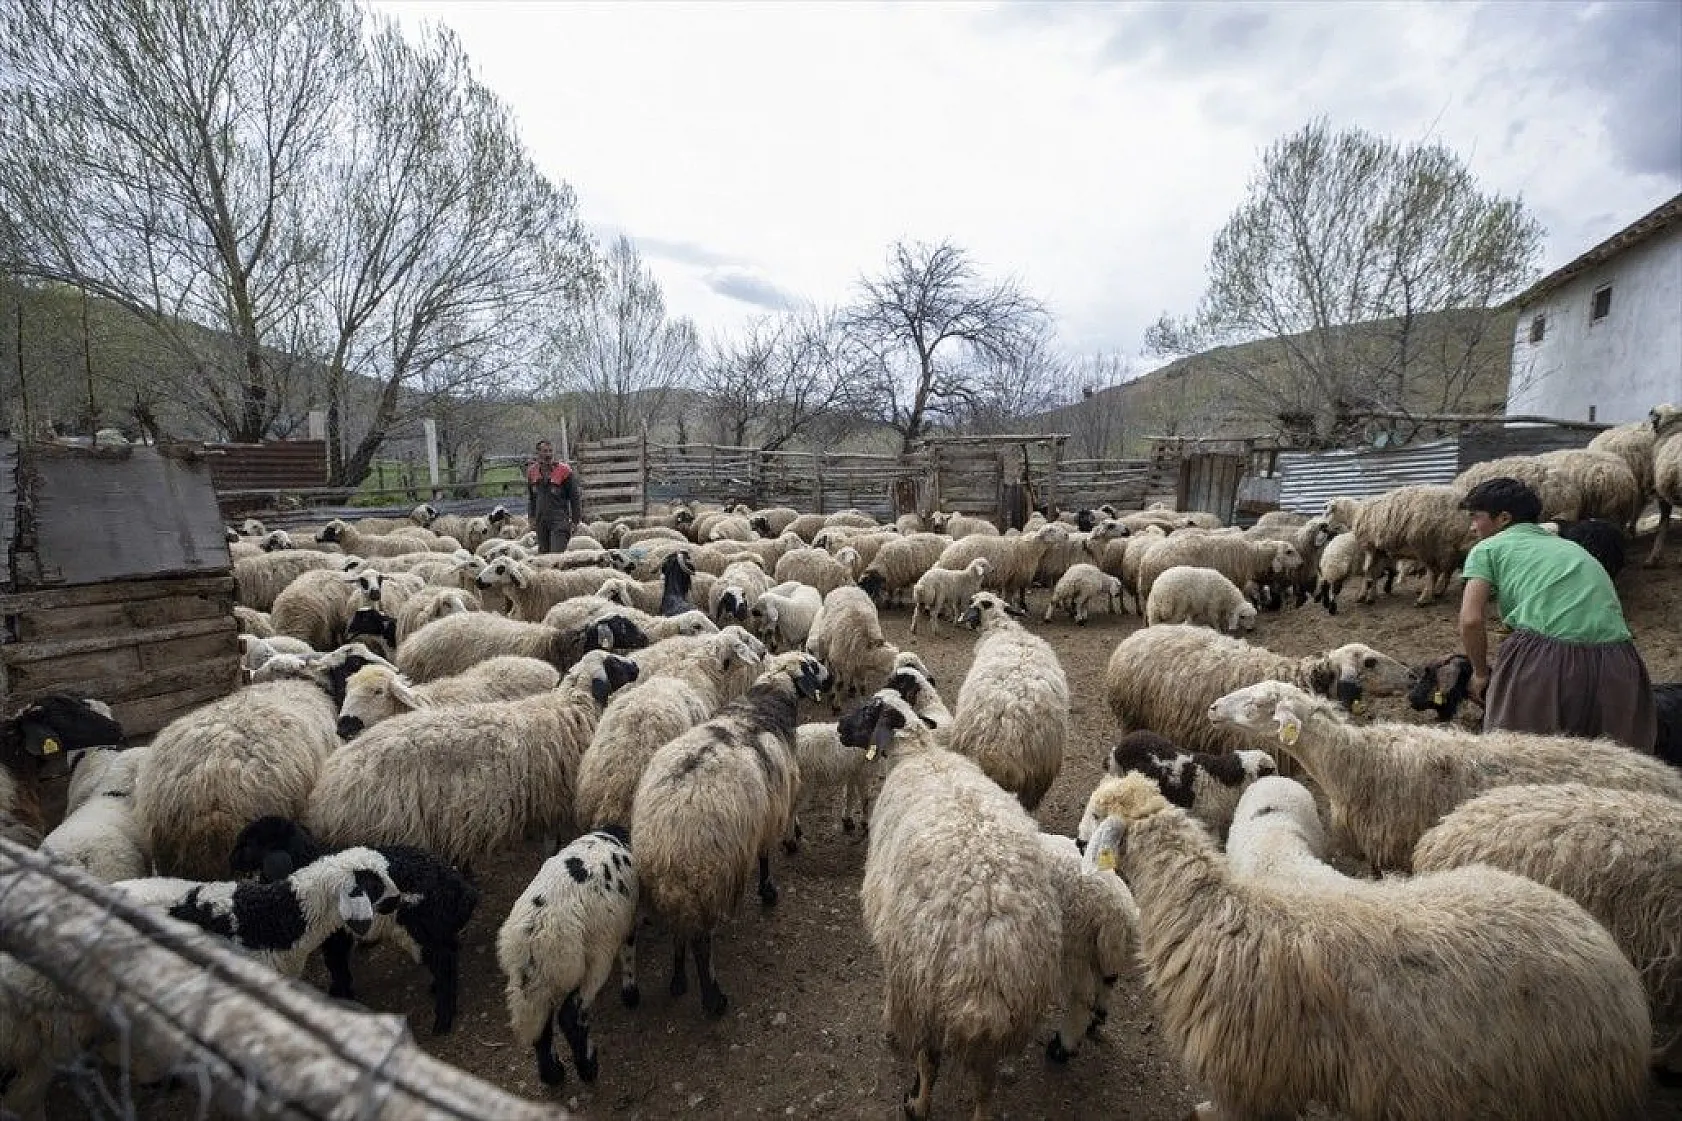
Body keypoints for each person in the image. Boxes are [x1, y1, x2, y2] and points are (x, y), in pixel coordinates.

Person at [1457, 476, 1656, 751]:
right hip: (1620, 661)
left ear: (1503, 518)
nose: (1471, 527)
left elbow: (1470, 620)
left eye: (1475, 517)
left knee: (1516, 754)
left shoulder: (1487, 548)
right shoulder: (1572, 547)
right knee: (1608, 763)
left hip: (1545, 660)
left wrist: (1480, 674)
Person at [525, 438, 582, 554]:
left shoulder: (564, 471)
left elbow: (575, 497)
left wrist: (575, 521)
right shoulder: (532, 472)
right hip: (541, 521)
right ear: (538, 453)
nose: (548, 454)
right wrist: (531, 517)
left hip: (559, 521)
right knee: (543, 558)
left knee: (556, 557)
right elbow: (531, 498)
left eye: (550, 451)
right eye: (545, 451)